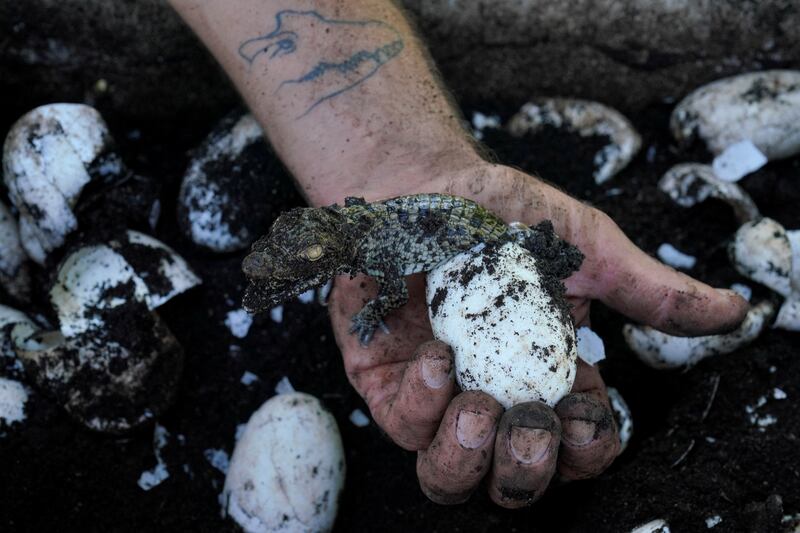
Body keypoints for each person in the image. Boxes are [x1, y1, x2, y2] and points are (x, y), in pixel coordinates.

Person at [168, 0, 749, 508]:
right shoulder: (357, 228)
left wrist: (381, 307)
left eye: (293, 269)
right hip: (464, 239)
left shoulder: (369, 249)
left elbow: (393, 284)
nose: (287, 278)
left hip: (477, 242)